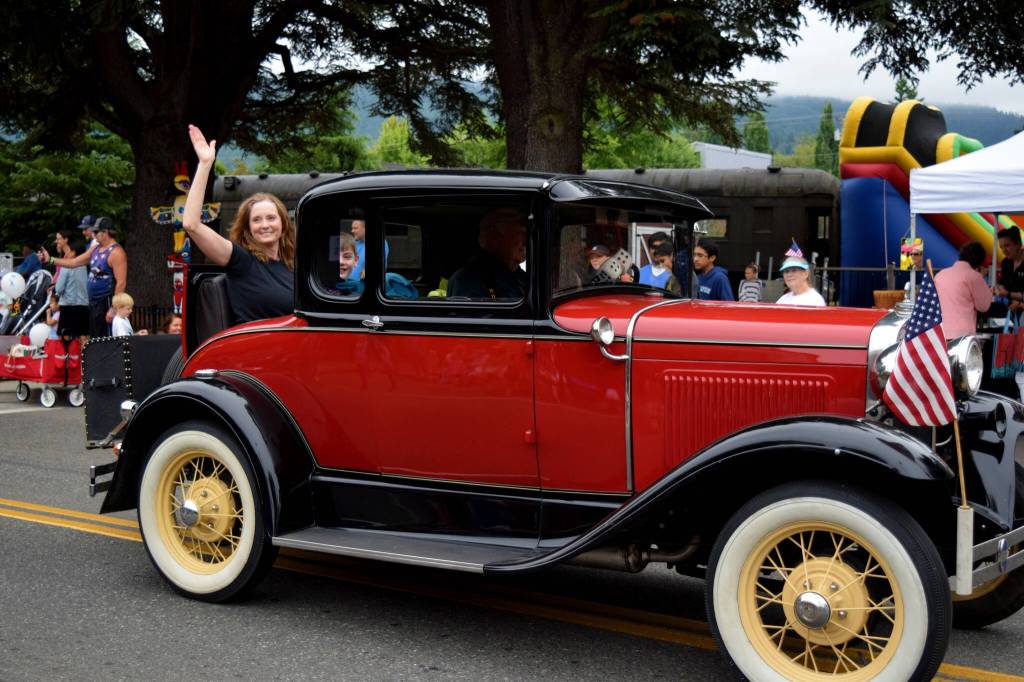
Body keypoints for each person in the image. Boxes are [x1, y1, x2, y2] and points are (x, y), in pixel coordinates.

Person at [183, 124, 295, 324]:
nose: (265, 225)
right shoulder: (241, 260)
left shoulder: (291, 264)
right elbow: (192, 224)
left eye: (271, 218)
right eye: (256, 220)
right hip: (258, 349)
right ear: (248, 228)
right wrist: (205, 164)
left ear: (283, 223)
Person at [447, 207, 527, 300]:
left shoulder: (522, 278)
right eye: (522, 233)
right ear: (494, 236)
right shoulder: (468, 280)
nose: (526, 241)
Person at [934, 241, 992, 340]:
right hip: (963, 335)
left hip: (939, 332)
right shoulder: (974, 276)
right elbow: (983, 306)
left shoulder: (940, 275)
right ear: (979, 262)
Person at [54, 239, 90, 347]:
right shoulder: (86, 267)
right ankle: (84, 361)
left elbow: (59, 288)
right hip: (83, 305)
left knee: (65, 335)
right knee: (83, 336)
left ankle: (66, 360)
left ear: (74, 252)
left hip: (68, 306)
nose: (67, 253)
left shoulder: (67, 267)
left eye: (69, 250)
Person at [995, 226, 1024, 311]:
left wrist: (1019, 303)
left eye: (1007, 245)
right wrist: (998, 288)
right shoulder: (1005, 262)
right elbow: (1004, 284)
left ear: (1018, 244)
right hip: (1012, 310)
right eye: (1001, 247)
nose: (1003, 250)